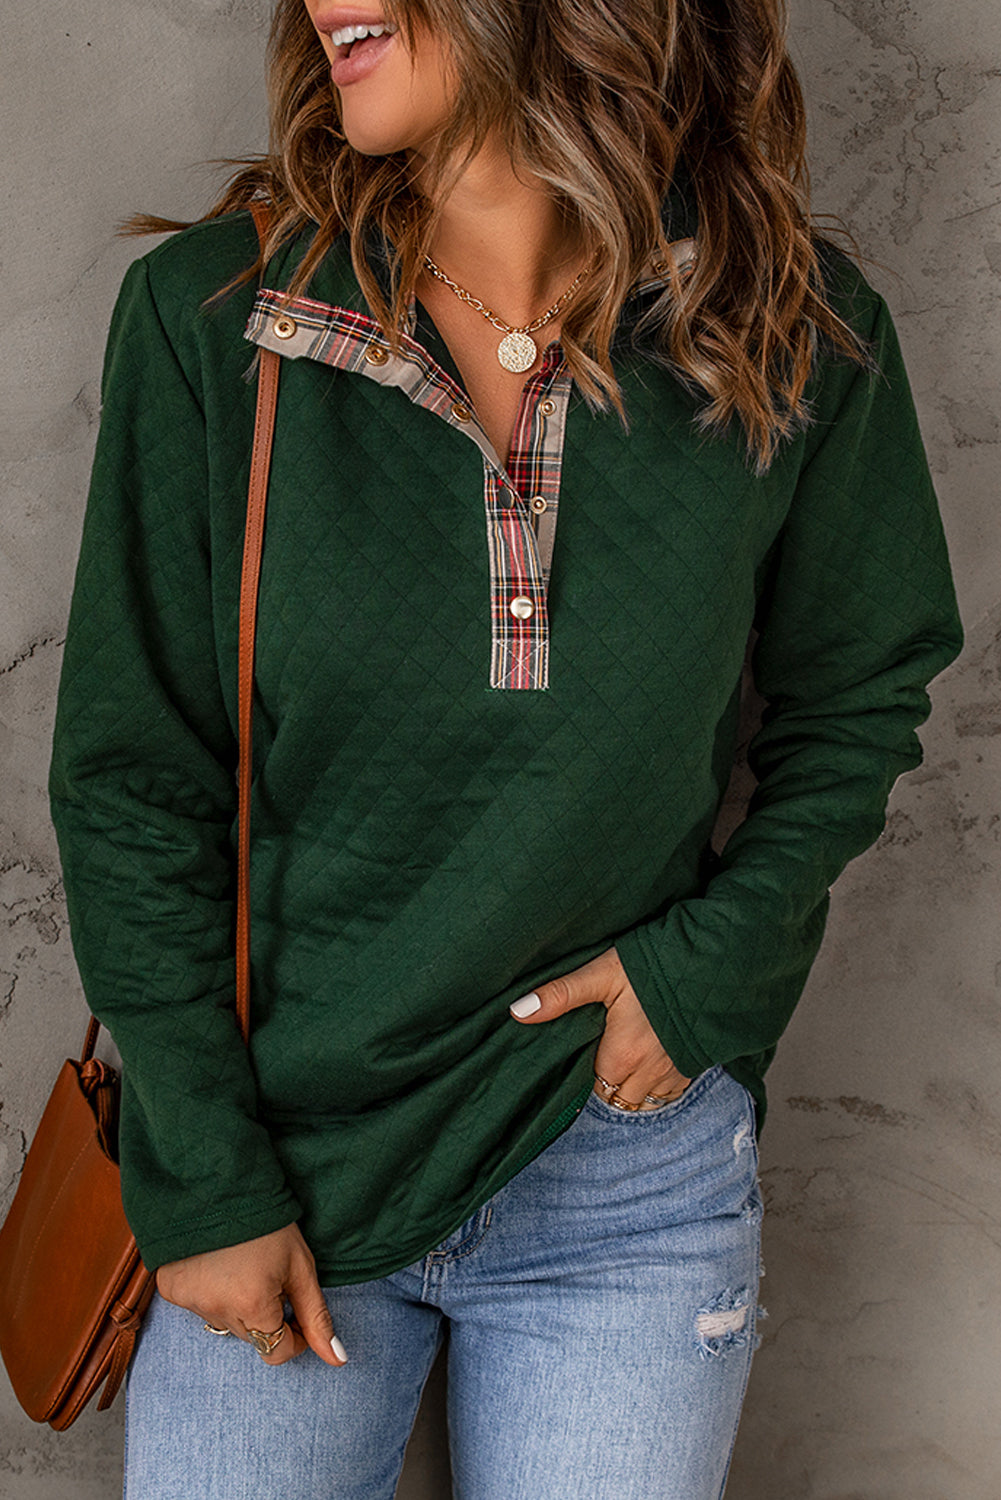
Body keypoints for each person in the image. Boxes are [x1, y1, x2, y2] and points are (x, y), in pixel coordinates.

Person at [48, 0, 962, 1495]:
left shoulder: (785, 328)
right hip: (287, 1165)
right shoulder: (222, 317)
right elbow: (131, 783)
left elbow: (860, 690)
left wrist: (705, 972)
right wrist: (205, 1181)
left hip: (625, 1176)